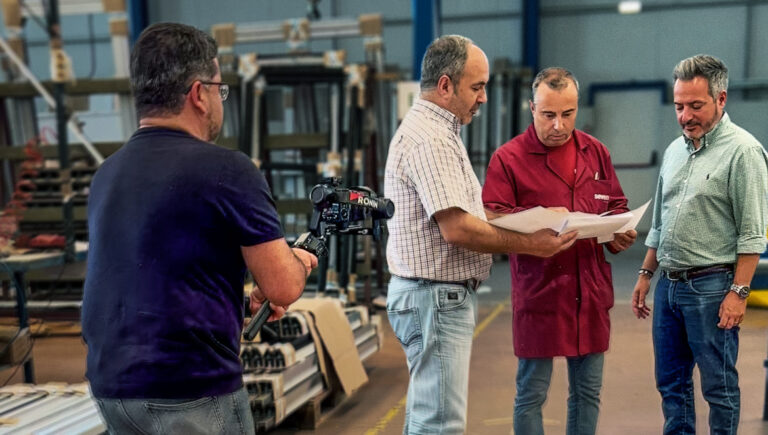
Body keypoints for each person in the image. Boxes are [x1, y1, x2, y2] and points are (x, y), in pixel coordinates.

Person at [81, 23, 318, 435]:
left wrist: (237, 305)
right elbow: (282, 287)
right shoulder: (228, 169)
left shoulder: (107, 175)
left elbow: (153, 279)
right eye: (219, 89)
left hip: (112, 388)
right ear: (198, 95)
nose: (219, 101)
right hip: (189, 387)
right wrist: (297, 261)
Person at [384, 35, 578, 434]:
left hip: (431, 296)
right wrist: (532, 245)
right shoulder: (431, 140)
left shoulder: (438, 132)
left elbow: (469, 212)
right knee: (440, 424)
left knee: (427, 416)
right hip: (434, 297)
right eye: (477, 87)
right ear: (445, 85)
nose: (484, 98)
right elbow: (457, 228)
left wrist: (530, 218)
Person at [482, 67, 636, 435]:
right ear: (531, 108)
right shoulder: (509, 159)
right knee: (531, 393)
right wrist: (539, 218)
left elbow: (615, 205)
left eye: (567, 114)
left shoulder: (595, 152)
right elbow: (491, 216)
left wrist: (619, 232)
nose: (558, 125)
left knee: (587, 392)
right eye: (548, 114)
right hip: (541, 290)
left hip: (590, 290)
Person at [631, 54, 768, 435]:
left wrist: (739, 292)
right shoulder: (675, 152)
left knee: (718, 387)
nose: (685, 116)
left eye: (695, 105)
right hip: (669, 288)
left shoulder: (744, 152)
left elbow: (753, 232)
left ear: (721, 100)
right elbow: (660, 222)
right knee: (671, 385)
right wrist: (646, 273)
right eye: (678, 106)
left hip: (711, 288)